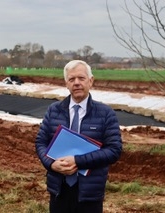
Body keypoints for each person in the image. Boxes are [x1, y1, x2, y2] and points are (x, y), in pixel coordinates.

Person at [35, 60, 122, 213]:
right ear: (66, 83)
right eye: (71, 79)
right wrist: (51, 164)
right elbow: (41, 143)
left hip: (89, 194)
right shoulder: (54, 110)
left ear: (91, 81)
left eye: (81, 78)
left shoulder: (106, 113)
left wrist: (77, 161)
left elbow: (114, 150)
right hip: (59, 190)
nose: (76, 83)